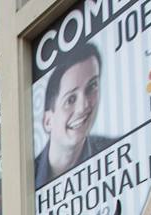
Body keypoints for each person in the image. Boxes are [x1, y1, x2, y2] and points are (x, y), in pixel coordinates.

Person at [35, 41, 116, 187]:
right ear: (48, 121)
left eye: (92, 87)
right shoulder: (28, 182)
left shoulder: (114, 155)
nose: (83, 107)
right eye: (70, 99)